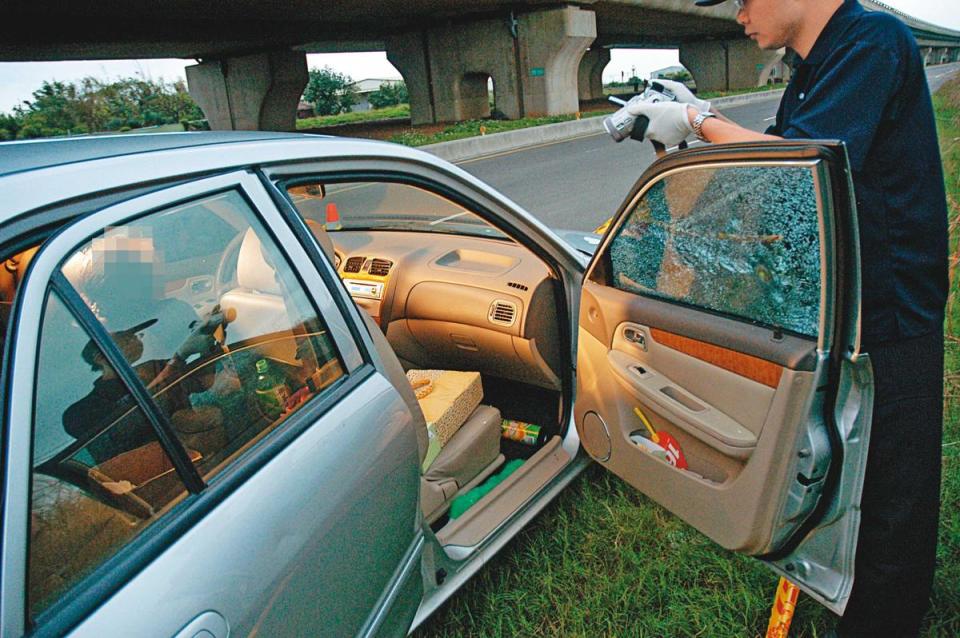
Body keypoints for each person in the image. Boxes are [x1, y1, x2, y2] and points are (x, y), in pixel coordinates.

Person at [625, 1, 949, 636]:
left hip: (891, 307)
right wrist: (696, 133)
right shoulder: (813, 64)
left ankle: (883, 618)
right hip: (842, 306)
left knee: (892, 494)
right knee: (843, 473)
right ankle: (844, 595)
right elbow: (768, 175)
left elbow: (803, 162)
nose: (739, 15)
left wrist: (699, 117)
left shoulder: (870, 41)